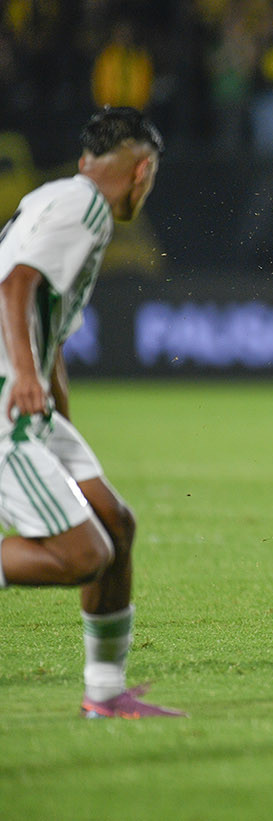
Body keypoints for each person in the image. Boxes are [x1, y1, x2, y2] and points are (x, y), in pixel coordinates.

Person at [0, 107, 183, 718]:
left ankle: (104, 695)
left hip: (28, 399)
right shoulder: (87, 209)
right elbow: (14, 287)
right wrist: (26, 376)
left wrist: (60, 414)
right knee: (84, 555)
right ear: (143, 171)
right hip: (6, 397)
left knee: (115, 524)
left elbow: (45, 321)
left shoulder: (57, 197)